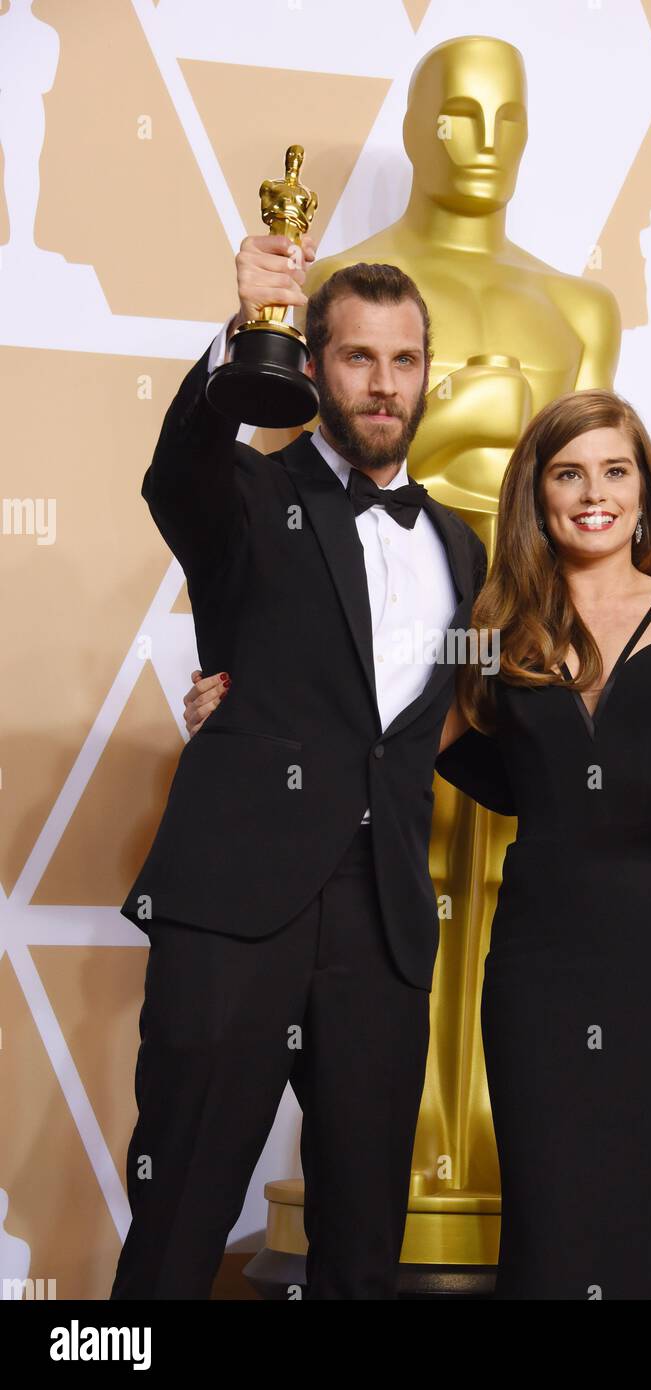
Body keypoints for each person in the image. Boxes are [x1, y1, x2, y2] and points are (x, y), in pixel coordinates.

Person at [187, 386, 651, 1299]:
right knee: (552, 1202)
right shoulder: (496, 629)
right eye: (569, 473)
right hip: (544, 955)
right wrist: (237, 714)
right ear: (537, 496)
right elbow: (394, 740)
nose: (595, 493)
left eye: (616, 471)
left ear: (644, 491)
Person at [111, 236, 500, 1299]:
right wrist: (246, 328)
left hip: (381, 924)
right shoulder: (241, 492)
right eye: (358, 357)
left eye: (404, 359)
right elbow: (173, 471)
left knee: (366, 1239)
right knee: (182, 1211)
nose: (383, 383)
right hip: (239, 902)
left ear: (428, 372)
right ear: (315, 367)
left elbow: (455, 726)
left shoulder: (464, 551)